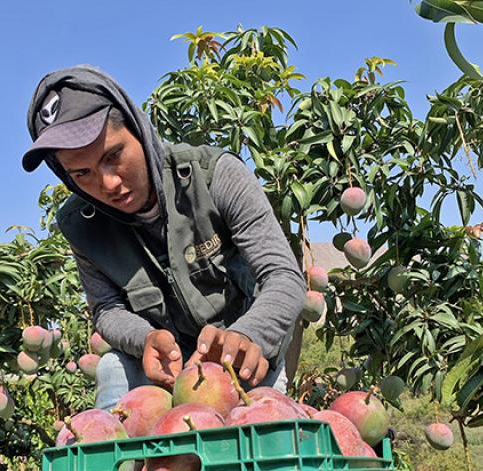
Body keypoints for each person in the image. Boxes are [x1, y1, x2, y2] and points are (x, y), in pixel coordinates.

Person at [21, 65, 305, 409]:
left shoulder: (214, 176)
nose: (109, 184)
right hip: (168, 367)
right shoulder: (81, 225)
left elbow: (283, 275)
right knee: (112, 367)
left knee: (254, 424)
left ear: (139, 131)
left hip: (246, 348)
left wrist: (250, 334)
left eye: (113, 156)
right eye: (82, 173)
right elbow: (107, 308)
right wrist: (146, 339)